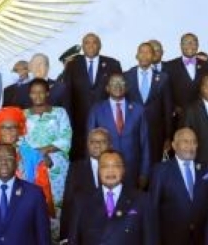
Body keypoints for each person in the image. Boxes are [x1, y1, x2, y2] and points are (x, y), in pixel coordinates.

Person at [63, 32, 123, 161]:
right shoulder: (72, 65)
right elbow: (67, 94)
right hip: (79, 122)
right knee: (81, 158)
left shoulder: (113, 64)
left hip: (106, 120)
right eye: (86, 43)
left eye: (94, 42)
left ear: (100, 46)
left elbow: (119, 93)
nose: (90, 46)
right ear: (82, 47)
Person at [23, 78, 72, 233]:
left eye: (41, 92)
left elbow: (66, 137)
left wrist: (43, 151)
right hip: (31, 165)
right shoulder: (22, 115)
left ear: (47, 93)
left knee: (58, 205)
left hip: (56, 166)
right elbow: (20, 141)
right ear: (29, 94)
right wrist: (37, 155)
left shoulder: (60, 112)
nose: (37, 95)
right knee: (32, 203)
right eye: (34, 92)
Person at [87, 73, 151, 188]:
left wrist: (144, 173)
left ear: (126, 88)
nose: (118, 86)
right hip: (106, 169)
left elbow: (145, 143)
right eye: (113, 83)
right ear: (107, 88)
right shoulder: (96, 109)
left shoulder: (138, 109)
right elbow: (90, 143)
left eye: (121, 83)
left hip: (132, 170)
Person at [125, 41, 173, 165]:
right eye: (142, 52)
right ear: (137, 56)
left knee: (154, 167)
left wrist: (168, 137)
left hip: (156, 134)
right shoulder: (126, 76)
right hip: (131, 132)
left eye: (149, 53)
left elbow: (167, 109)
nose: (145, 55)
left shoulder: (163, 78)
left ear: (153, 57)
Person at [162, 32, 208, 118]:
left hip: (202, 116)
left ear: (197, 46)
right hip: (178, 117)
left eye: (193, 43)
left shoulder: (207, 66)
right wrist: (174, 107)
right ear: (181, 46)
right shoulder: (169, 66)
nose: (190, 45)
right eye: (186, 42)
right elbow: (165, 92)